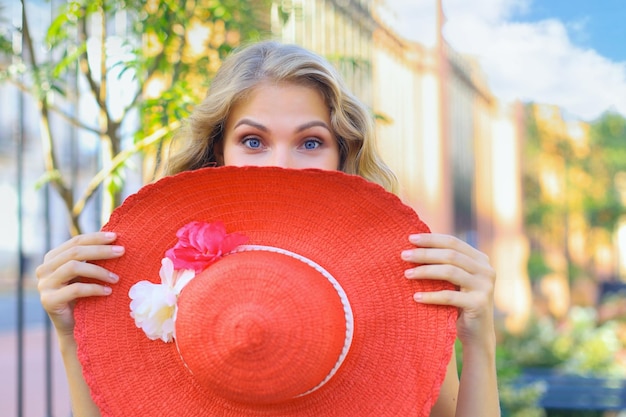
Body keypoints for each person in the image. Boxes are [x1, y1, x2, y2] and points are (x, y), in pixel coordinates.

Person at [36, 40, 500, 417]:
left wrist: (479, 339)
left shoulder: (398, 278)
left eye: (310, 142)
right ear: (219, 152)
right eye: (254, 141)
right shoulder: (159, 273)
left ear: (343, 152)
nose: (281, 165)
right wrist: (70, 335)